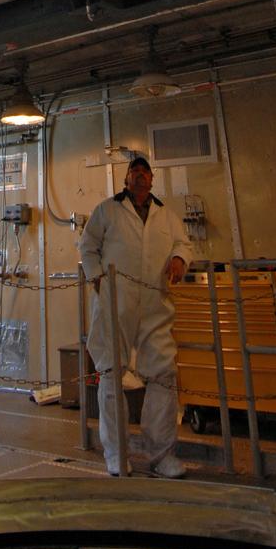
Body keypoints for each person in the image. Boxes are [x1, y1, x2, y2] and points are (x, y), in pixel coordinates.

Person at [79, 155, 192, 478]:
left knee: (162, 375)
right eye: (135, 171)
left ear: (152, 179)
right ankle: (116, 454)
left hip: (156, 305)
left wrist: (179, 259)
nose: (140, 176)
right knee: (112, 373)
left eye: (145, 172)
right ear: (126, 179)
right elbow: (87, 246)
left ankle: (162, 456)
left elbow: (182, 243)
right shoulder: (107, 211)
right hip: (115, 303)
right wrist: (97, 278)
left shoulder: (166, 215)